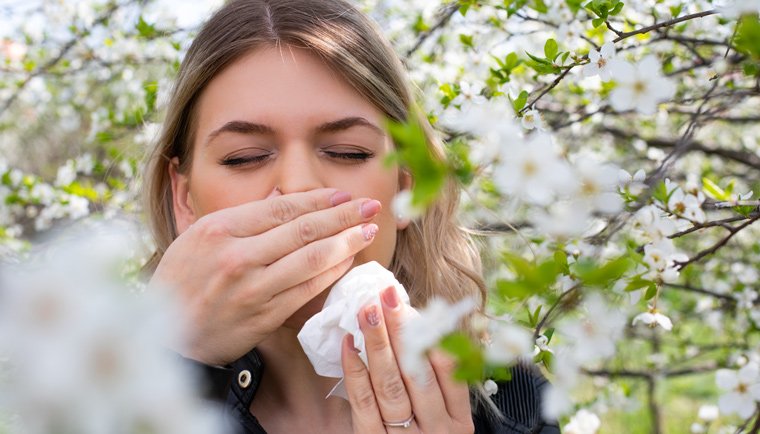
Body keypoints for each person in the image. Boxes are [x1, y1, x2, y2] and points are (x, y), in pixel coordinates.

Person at [142, 0, 559, 433]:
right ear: (184, 199)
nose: (301, 185)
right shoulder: (97, 401)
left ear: (405, 188)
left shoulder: (510, 399)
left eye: (348, 152)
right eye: (244, 158)